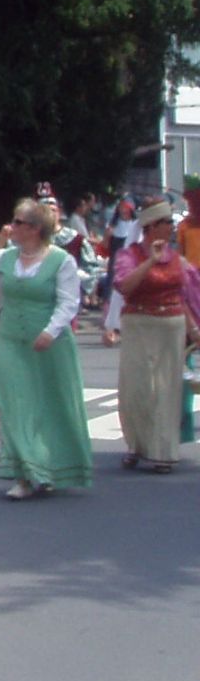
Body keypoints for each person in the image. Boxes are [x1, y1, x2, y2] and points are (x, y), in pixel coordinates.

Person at [0, 197, 93, 497]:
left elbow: (69, 302)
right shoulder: (5, 257)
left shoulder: (60, 261)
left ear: (34, 228)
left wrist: (51, 331)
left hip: (48, 344)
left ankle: (47, 466)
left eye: (17, 222)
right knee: (10, 401)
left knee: (49, 406)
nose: (11, 227)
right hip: (11, 340)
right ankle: (26, 473)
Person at [112, 199, 193, 475]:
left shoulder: (177, 258)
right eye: (167, 223)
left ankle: (163, 451)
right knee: (137, 388)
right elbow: (124, 286)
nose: (172, 228)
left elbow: (184, 294)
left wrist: (193, 328)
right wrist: (150, 261)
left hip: (171, 325)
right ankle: (136, 445)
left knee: (167, 389)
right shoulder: (130, 255)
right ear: (151, 227)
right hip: (138, 323)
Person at [101, 194, 141, 345]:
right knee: (112, 289)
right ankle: (111, 322)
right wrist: (107, 236)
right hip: (115, 260)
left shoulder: (135, 225)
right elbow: (104, 246)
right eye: (122, 208)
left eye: (127, 208)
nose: (124, 210)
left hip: (130, 262)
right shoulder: (113, 225)